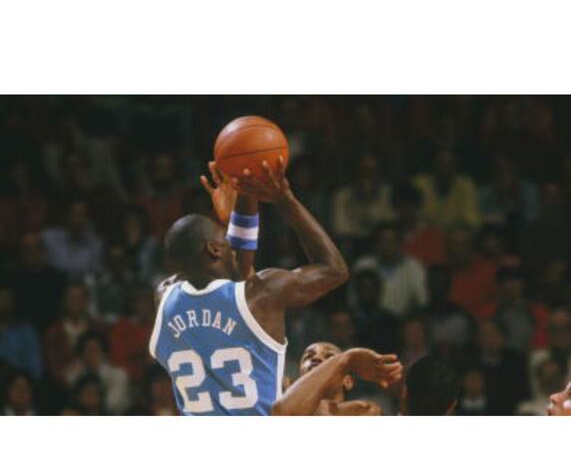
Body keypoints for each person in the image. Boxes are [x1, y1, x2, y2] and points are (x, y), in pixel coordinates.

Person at [150, 158, 350, 415]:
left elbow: (229, 270)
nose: (231, 242)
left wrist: (236, 214)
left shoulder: (164, 297)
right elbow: (334, 269)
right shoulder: (263, 293)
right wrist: (285, 199)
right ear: (214, 249)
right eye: (224, 238)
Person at [271, 345, 402, 416]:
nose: (316, 358)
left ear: (348, 381)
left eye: (330, 358)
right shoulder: (279, 399)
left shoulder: (363, 412)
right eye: (308, 356)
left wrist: (349, 357)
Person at [353, 222, 427, 317]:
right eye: (383, 241)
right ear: (376, 243)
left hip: (403, 320)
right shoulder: (363, 265)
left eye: (391, 241)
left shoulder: (414, 268)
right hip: (368, 320)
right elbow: (353, 299)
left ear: (399, 243)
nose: (387, 245)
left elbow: (422, 300)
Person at [65, 331, 131, 415]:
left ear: (103, 352)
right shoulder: (77, 373)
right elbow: (74, 399)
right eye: (87, 350)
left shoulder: (118, 375)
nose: (90, 354)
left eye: (94, 350)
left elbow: (112, 404)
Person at [413, 149, 480, 230]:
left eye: (449, 165)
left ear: (456, 168)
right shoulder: (419, 185)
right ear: (433, 166)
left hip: (455, 235)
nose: (445, 170)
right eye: (441, 165)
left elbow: (472, 222)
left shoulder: (465, 186)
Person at [41, 198, 103, 279]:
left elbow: (95, 275)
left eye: (82, 215)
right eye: (74, 214)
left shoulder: (95, 244)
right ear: (66, 216)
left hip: (82, 285)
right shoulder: (49, 237)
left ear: (88, 219)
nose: (78, 219)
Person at [391, 181, 446, 266]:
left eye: (409, 206)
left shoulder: (432, 236)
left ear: (417, 207)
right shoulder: (389, 237)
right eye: (401, 207)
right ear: (395, 208)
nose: (405, 212)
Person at [0, 284, 43, 380]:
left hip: (20, 385)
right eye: (1, 297)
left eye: (7, 298)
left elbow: (35, 369)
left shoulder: (26, 332)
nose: (3, 302)